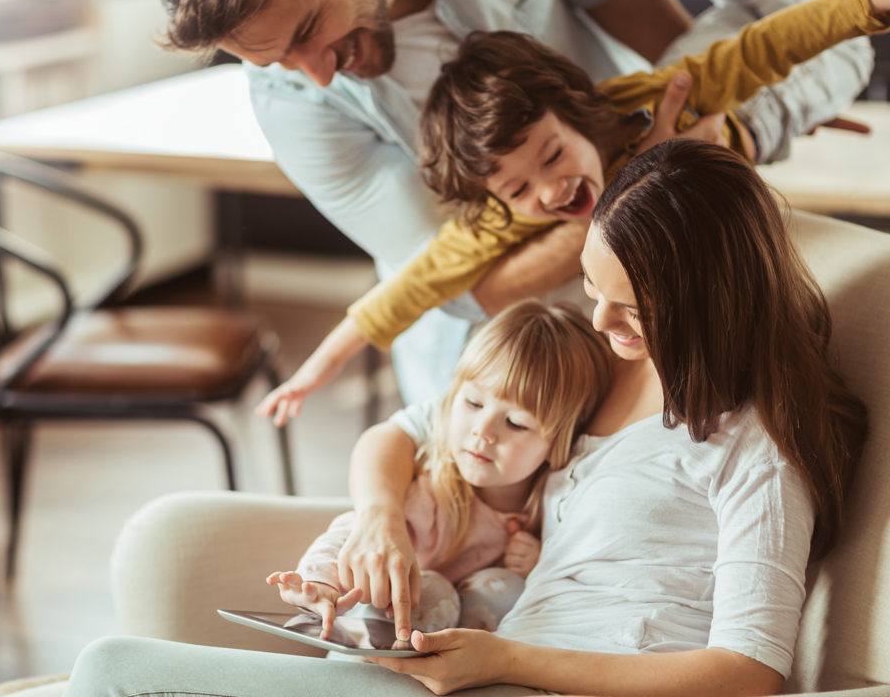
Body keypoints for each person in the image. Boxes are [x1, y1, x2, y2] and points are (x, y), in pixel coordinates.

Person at [62, 137, 868, 697]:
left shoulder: (756, 449)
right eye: (593, 290)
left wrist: (505, 659)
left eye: (633, 310)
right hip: (479, 670)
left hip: (524, 679)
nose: (600, 323)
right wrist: (381, 525)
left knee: (109, 674)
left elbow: (747, 671)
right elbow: (410, 431)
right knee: (118, 671)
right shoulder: (598, 373)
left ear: (711, 307)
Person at [146, 0, 869, 407]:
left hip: (640, 142)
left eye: (306, 31)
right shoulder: (299, 110)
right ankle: (746, 133)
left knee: (810, 44)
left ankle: (751, 111)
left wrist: (713, 101)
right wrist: (648, 173)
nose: (316, 72)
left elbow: (669, 41)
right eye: (276, 62)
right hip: (521, 338)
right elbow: (467, 286)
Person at [268, 300, 612, 637]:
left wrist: (536, 565)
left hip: (468, 659)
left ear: (559, 445)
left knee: (508, 587)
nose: (483, 431)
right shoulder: (432, 495)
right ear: (449, 402)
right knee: (433, 590)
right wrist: (319, 584)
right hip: (382, 633)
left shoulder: (554, 506)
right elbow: (357, 534)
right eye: (473, 403)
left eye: (516, 423)